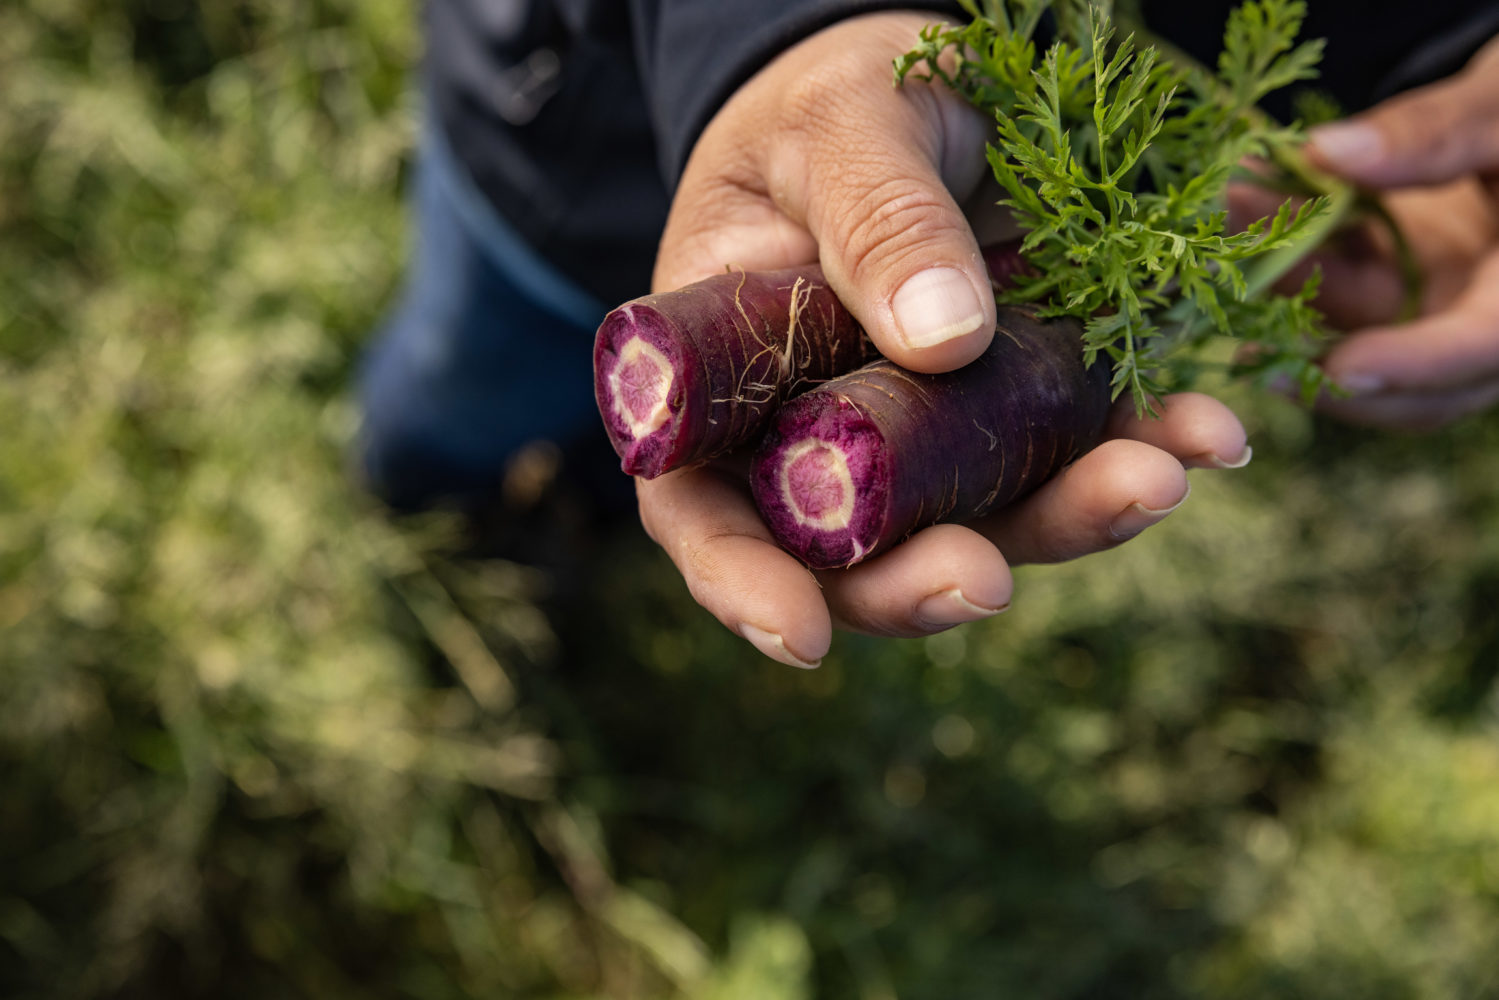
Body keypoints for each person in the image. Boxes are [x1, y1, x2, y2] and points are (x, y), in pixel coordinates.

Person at [357, 0, 1499, 667]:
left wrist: (1458, 53)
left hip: (1044, 208)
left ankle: (582, 528)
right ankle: (411, 523)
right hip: (564, 154)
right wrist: (781, 34)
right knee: (459, 386)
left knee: (683, 476)